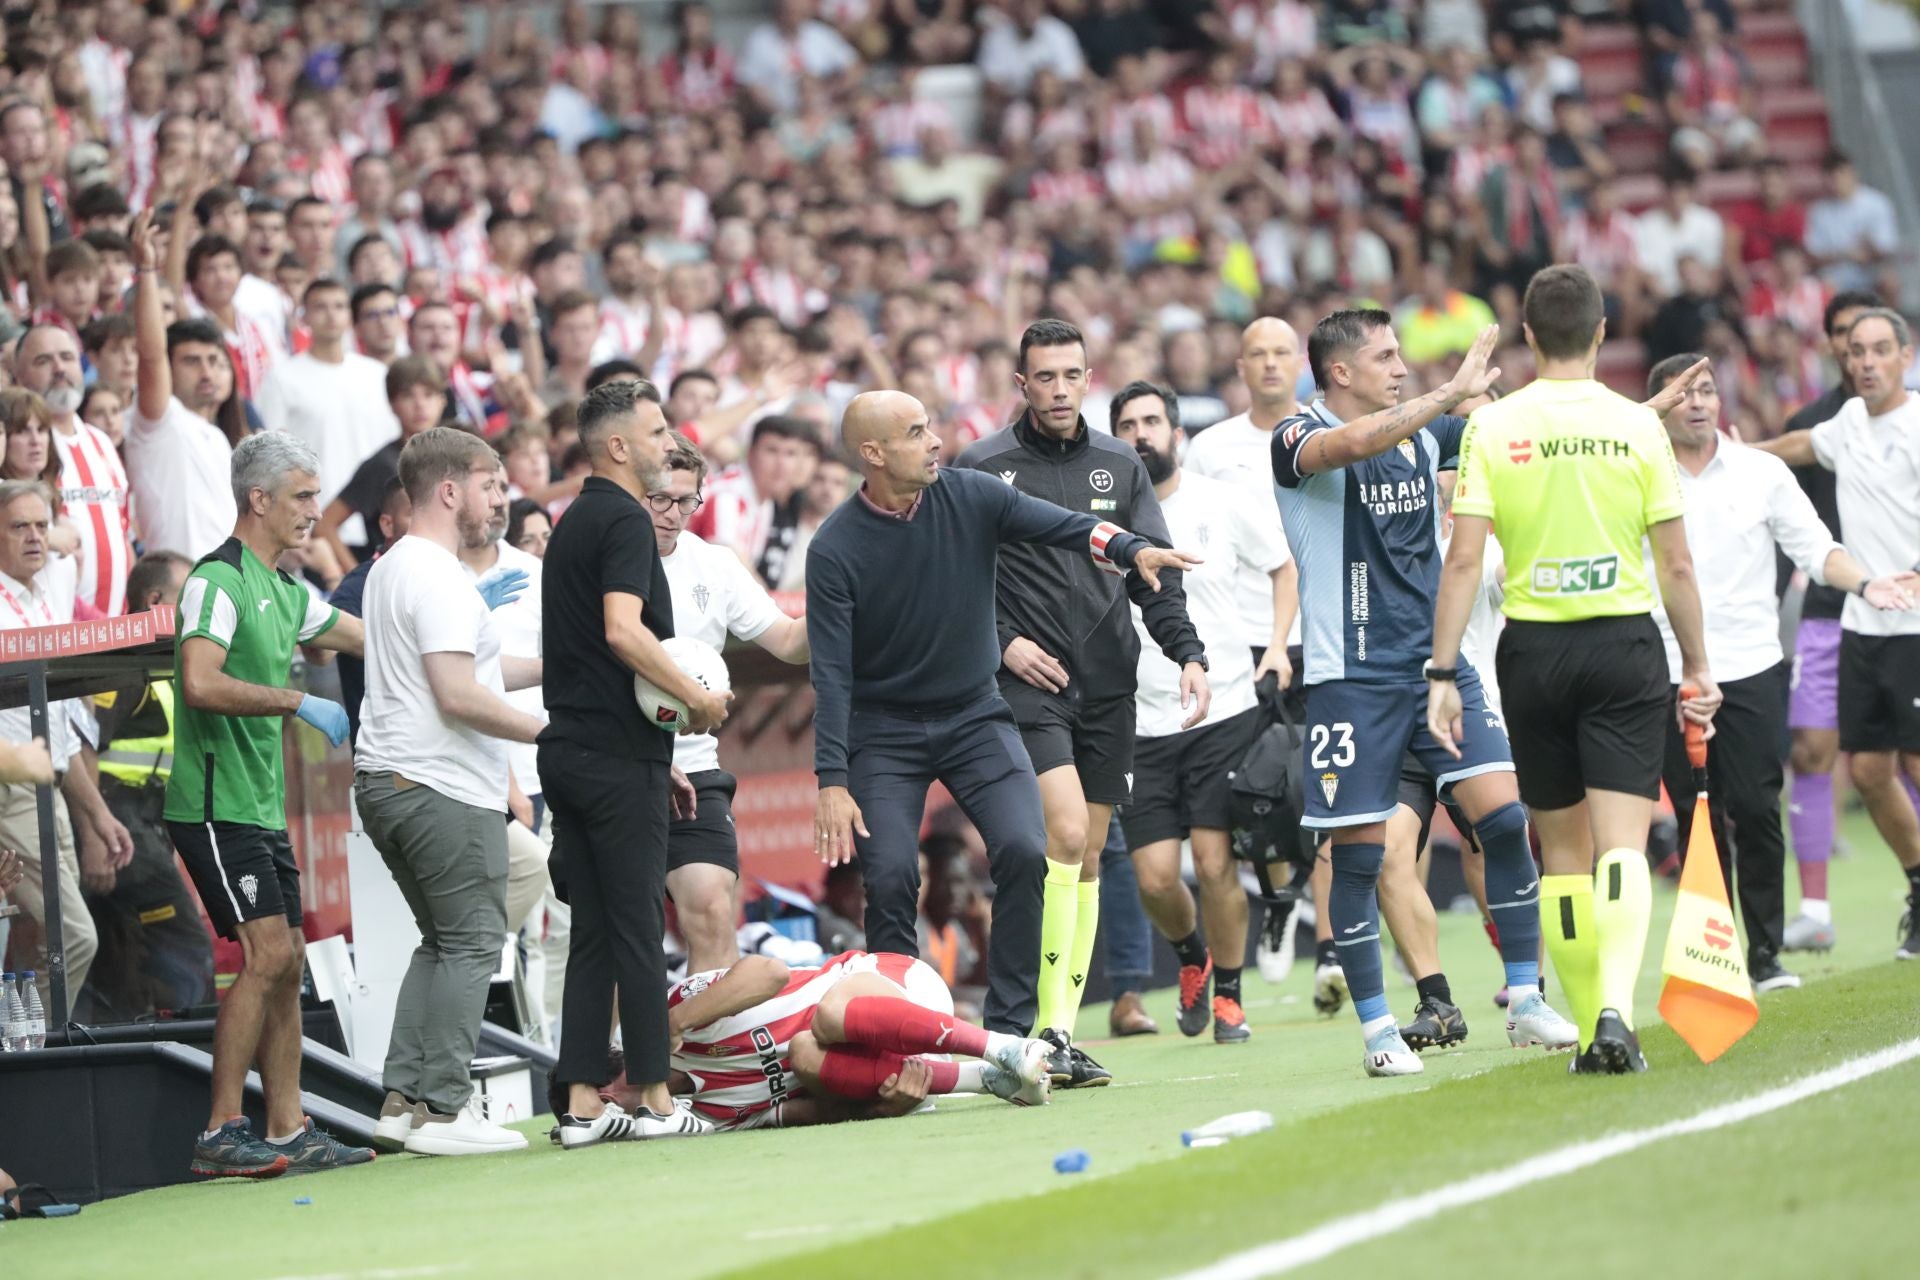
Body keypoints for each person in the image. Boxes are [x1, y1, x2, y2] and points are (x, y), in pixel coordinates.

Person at [806, 389, 1196, 1067]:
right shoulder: (835, 547)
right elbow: (831, 676)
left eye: (930, 427)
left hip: (974, 715)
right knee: (894, 875)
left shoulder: (970, 495)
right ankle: (901, 1041)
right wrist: (831, 781)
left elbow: (1067, 525)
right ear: (873, 454)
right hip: (885, 733)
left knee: (1023, 848)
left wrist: (1133, 548)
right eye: (915, 431)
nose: (935, 441)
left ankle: (1010, 1033)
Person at [1429, 265, 1722, 1076]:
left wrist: (1443, 671)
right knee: (1623, 846)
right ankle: (1613, 1016)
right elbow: (1678, 566)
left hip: (1532, 653)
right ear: (1600, 332)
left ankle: (1589, 1019)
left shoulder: (1494, 427)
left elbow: (1463, 561)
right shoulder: (1638, 426)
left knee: (1562, 854)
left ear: (1528, 336)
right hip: (1623, 646)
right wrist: (1698, 666)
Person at [1277, 313, 1576, 1077]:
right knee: (1359, 859)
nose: (1400, 365)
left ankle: (1525, 1000)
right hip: (1350, 681)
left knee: (1506, 818)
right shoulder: (1296, 436)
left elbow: (1502, 430)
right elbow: (1353, 444)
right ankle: (1379, 1031)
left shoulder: (1427, 431)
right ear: (1339, 371)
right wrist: (1450, 394)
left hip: (1435, 670)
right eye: (1383, 356)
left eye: (1400, 354)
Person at [956, 319, 1208, 1088]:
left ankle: (1056, 1036)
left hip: (1110, 686)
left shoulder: (1119, 463)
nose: (1060, 390)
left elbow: (1152, 574)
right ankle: (1036, 1027)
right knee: (1061, 832)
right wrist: (1002, 642)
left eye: (1072, 375)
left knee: (1089, 854)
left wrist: (1189, 653)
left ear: (1087, 376)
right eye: (1046, 377)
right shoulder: (980, 468)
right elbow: (956, 582)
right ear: (1021, 385)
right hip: (1028, 688)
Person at [1645, 352, 1915, 993]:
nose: (1698, 402)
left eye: (1707, 389)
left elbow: (1817, 548)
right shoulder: (1633, 473)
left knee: (1758, 807)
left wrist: (1867, 582)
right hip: (1666, 667)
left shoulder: (1760, 471)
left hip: (1752, 664)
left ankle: (1765, 954)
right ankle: (1712, 960)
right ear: (1656, 408)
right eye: (1683, 393)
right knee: (1693, 815)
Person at [164, 432, 371, 1176]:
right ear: (259, 500)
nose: (316, 511)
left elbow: (360, 632)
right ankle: (221, 1131)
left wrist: (457, 616)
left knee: (285, 966)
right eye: (304, 497)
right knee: (270, 955)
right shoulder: (215, 583)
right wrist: (296, 702)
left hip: (256, 805)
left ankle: (287, 1127)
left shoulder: (284, 590)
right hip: (214, 803)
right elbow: (199, 681)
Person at [541, 378, 729, 1149]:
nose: (669, 444)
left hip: (572, 750)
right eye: (656, 433)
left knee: (594, 931)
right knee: (636, 931)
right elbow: (624, 633)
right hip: (617, 759)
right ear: (618, 446)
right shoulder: (622, 519)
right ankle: (655, 1098)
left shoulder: (575, 518)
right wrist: (696, 703)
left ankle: (583, 1101)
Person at [356, 428, 546, 1157]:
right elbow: (458, 694)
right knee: (471, 941)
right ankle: (445, 1110)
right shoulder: (436, 575)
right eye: (489, 485)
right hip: (438, 783)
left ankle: (402, 1103)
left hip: (392, 783)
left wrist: (565, 663)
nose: (497, 499)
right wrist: (545, 736)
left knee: (440, 943)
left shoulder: (395, 567)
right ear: (447, 490)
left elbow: (478, 671)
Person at [1111, 381, 1290, 1044]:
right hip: (1141, 720)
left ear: (1176, 432)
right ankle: (1193, 956)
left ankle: (1231, 999)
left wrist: (1276, 644)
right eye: (1127, 424)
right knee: (1156, 879)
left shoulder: (1222, 501)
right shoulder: (1104, 522)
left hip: (1226, 708)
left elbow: (1283, 567)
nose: (1141, 433)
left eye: (1152, 420)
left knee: (1216, 863)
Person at [1755, 308, 1920, 961]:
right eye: (1857, 352)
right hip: (1862, 624)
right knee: (1872, 770)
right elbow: (1800, 447)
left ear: (1905, 356)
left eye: (1881, 350)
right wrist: (1731, 455)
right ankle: (1918, 884)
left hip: (1915, 626)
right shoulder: (1847, 423)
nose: (1868, 362)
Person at [649, 432, 809, 974]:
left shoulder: (713, 564)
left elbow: (787, 642)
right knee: (629, 931)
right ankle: (625, 1057)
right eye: (660, 499)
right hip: (617, 764)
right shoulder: (600, 562)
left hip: (694, 764)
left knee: (714, 908)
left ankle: (707, 1051)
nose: (673, 514)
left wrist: (841, 600)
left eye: (686, 501)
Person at [1181, 316, 1308, 974]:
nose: (1269, 364)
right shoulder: (1210, 448)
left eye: (1281, 352)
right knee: (1261, 790)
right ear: (1239, 366)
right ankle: (1281, 898)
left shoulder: (1327, 435)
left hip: (1323, 636)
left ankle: (1339, 949)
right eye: (1256, 353)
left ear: (1300, 361)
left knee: (1329, 787)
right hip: (1241, 644)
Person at [1775, 290, 1883, 951]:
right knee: (1812, 750)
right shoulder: (1809, 424)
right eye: (1843, 334)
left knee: (1902, 757)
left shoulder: (1908, 421)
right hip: (1827, 609)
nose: (1852, 347)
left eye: (1865, 336)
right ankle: (1814, 909)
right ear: (1831, 343)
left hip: (1901, 609)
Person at [0, 480, 132, 1015]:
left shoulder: (50, 588)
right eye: (18, 527)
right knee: (74, 937)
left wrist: (96, 814)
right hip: (11, 788)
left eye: (40, 526)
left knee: (37, 936)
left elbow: (56, 730)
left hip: (49, 784)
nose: (36, 538)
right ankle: (39, 1063)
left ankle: (20, 1051)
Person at [664, 950, 1053, 1131]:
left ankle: (1002, 1047)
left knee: (826, 1018)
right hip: (900, 1075)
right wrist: (881, 1110)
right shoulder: (705, 1117)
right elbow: (813, 1113)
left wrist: (676, 1022)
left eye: (612, 1089)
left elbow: (769, 972)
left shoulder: (680, 1011)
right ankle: (989, 1079)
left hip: (902, 992)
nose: (617, 1099)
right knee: (804, 1052)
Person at [89, 550, 215, 1019]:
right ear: (155, 600)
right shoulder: (122, 665)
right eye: (189, 597)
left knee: (123, 958)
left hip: (147, 821)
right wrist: (93, 831)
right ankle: (200, 1062)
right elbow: (79, 750)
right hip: (118, 821)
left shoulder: (164, 663)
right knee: (187, 946)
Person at [125, 211, 241, 563]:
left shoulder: (220, 438)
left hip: (228, 590)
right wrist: (147, 271)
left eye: (214, 360)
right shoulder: (159, 420)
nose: (207, 372)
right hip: (175, 592)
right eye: (192, 361)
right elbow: (150, 354)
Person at [254, 278, 400, 536]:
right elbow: (268, 459)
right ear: (304, 316)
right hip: (314, 524)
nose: (331, 315)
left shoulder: (377, 375)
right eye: (320, 307)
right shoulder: (281, 378)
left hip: (381, 521)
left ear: (349, 316)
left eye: (339, 306)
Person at [12, 325, 131, 617]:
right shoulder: (20, 449)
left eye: (67, 357)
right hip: (54, 629)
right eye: (43, 361)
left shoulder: (101, 441)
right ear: (19, 376)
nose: (59, 368)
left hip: (116, 630)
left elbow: (123, 529)